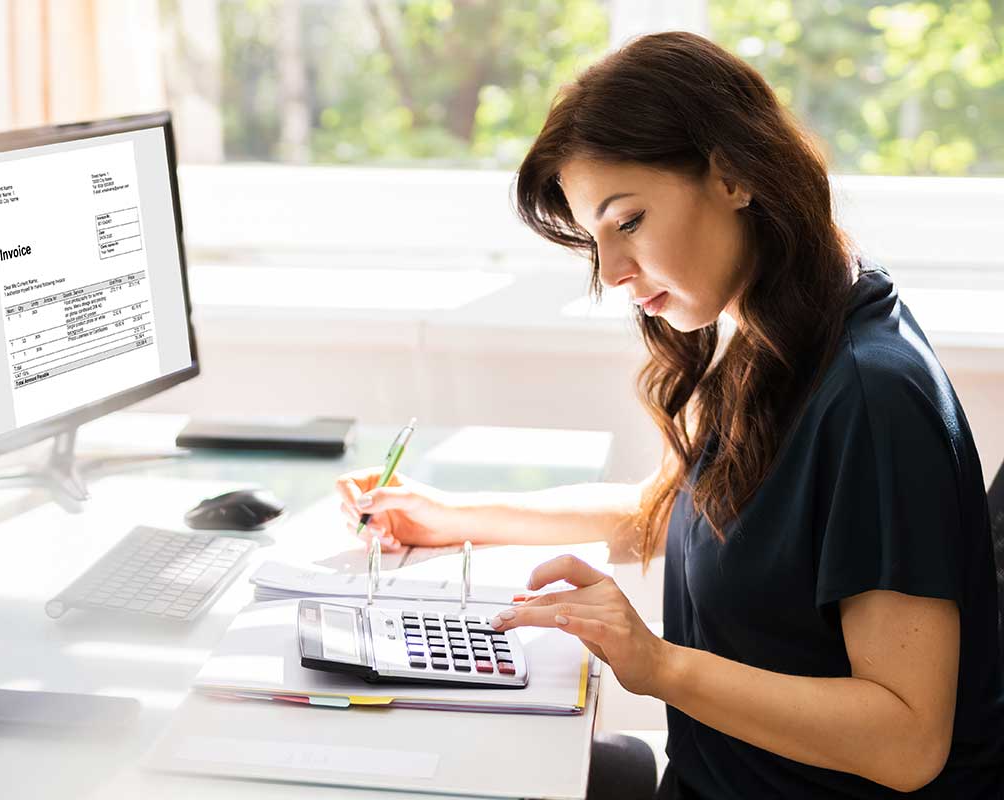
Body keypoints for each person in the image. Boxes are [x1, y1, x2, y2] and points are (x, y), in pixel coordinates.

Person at [336, 31, 1004, 800]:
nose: (613, 274)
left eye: (629, 222)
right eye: (596, 239)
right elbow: (687, 510)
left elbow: (907, 740)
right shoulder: (776, 326)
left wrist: (657, 665)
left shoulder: (870, 398)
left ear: (733, 175)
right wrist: (453, 516)